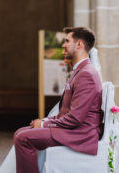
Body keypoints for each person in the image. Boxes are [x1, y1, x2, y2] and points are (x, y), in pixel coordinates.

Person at [13, 27, 103, 173]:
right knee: (20, 132)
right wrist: (44, 121)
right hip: (74, 129)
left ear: (79, 44)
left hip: (80, 134)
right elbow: (65, 112)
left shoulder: (86, 74)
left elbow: (75, 118)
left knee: (23, 138)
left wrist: (44, 124)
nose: (63, 45)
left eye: (67, 41)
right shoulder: (80, 71)